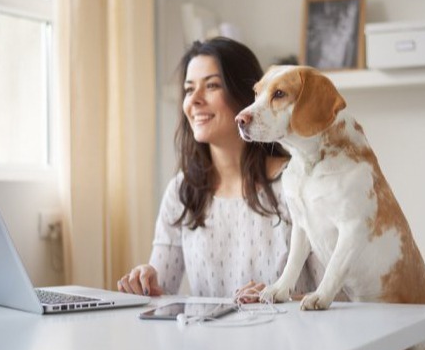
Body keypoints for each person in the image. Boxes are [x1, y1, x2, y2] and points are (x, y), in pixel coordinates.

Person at [117, 37, 322, 303]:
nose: (195, 100)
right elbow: (161, 289)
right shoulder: (182, 190)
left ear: (247, 95)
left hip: (290, 342)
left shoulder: (297, 183)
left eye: (212, 85)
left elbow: (337, 296)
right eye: (189, 90)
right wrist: (146, 281)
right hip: (208, 344)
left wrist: (276, 296)